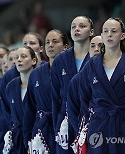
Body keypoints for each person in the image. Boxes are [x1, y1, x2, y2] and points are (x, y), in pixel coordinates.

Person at [79, 17, 125, 153]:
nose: (109, 34)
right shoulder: (91, 66)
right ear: (101, 35)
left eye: (114, 31)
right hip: (99, 128)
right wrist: (95, 119)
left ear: (122, 35)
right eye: (106, 31)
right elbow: (82, 98)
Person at [51, 16, 94, 153]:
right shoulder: (60, 60)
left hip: (92, 118)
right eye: (73, 27)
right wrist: (57, 127)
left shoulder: (98, 58)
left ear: (91, 32)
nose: (77, 29)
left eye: (82, 26)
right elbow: (55, 98)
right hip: (65, 122)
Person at [23, 29, 69, 153]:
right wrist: (28, 139)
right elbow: (30, 109)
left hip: (65, 128)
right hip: (42, 129)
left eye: (55, 42)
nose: (50, 45)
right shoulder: (36, 74)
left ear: (65, 47)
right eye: (48, 42)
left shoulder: (71, 71)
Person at [0, 32, 44, 130]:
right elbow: (6, 109)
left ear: (41, 48)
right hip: (19, 132)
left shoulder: (47, 72)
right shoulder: (10, 80)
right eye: (25, 43)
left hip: (40, 131)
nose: (28, 46)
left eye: (32, 43)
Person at [67, 35, 103, 153]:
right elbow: (72, 110)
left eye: (101, 46)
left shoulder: (116, 74)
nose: (96, 49)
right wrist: (82, 129)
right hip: (89, 132)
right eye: (92, 46)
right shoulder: (76, 80)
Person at [3, 46, 37, 153]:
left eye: (23, 56)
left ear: (33, 60)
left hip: (37, 136)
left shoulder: (40, 83)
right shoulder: (10, 87)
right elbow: (8, 113)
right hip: (18, 140)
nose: (18, 60)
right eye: (16, 57)